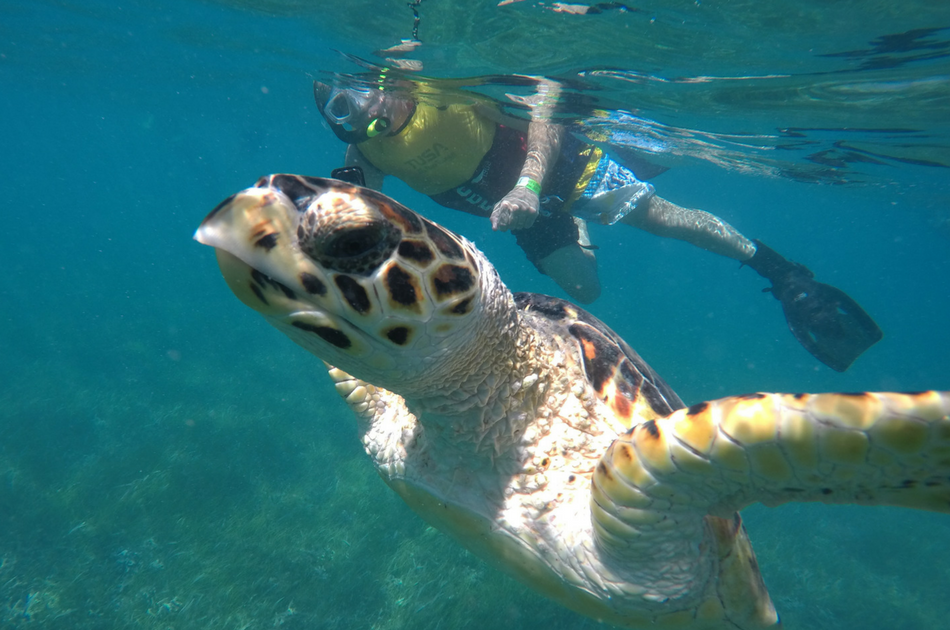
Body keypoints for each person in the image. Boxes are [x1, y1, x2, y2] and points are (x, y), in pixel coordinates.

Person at [313, 77, 882, 371]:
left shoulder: (445, 94)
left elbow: (544, 111)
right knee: (587, 289)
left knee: (660, 218)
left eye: (360, 98)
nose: (362, 115)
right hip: (519, 216)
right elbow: (364, 210)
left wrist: (530, 186)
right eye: (341, 112)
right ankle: (593, 210)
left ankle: (780, 270)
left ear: (387, 84)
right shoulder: (368, 152)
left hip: (558, 171)